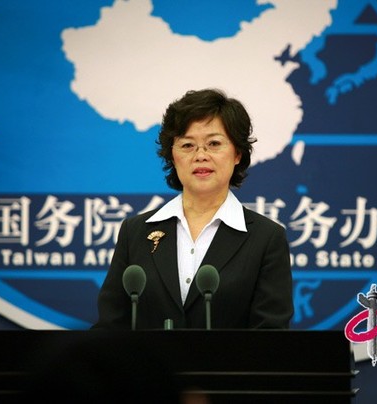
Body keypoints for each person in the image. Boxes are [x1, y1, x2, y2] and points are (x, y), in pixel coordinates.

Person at [93, 88, 293, 330]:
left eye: (214, 144)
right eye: (187, 145)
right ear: (172, 155)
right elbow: (110, 326)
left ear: (237, 153)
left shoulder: (266, 238)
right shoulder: (135, 232)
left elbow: (270, 334)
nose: (201, 155)